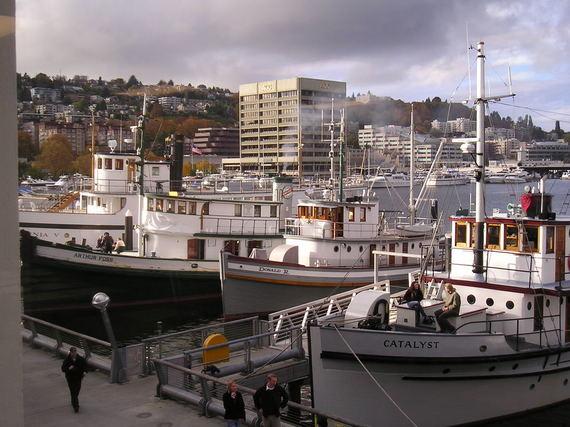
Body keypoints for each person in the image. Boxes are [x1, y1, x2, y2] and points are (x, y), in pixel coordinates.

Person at [61, 347, 87, 412]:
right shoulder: (67, 360)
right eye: (73, 352)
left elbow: (85, 366)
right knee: (73, 391)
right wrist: (69, 368)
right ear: (70, 352)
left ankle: (73, 400)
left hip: (78, 377)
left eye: (75, 351)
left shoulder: (80, 359)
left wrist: (85, 372)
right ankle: (76, 406)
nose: (74, 353)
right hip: (70, 378)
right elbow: (63, 369)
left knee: (77, 390)